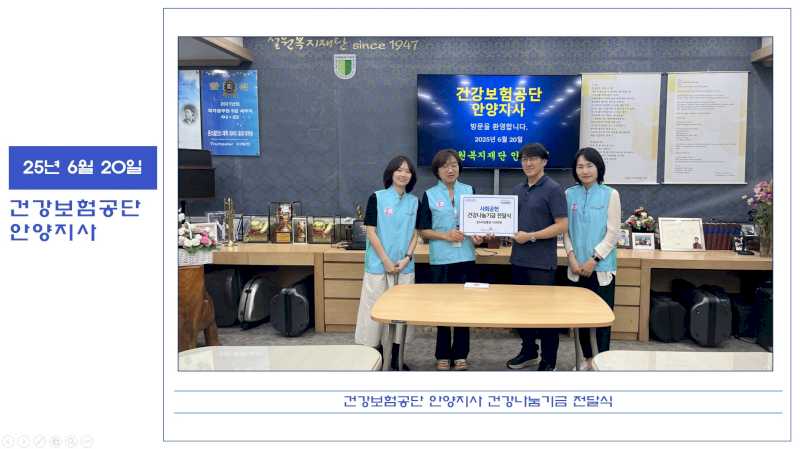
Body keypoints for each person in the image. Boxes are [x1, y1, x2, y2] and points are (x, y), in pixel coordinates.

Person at [416, 149, 484, 371]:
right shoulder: (429, 195)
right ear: (437, 170)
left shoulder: (469, 191)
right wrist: (446, 235)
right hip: (441, 259)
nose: (450, 169)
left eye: (454, 165)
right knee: (442, 307)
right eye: (445, 166)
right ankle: (443, 354)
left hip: (466, 257)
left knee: (464, 307)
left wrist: (478, 235)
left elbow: (476, 224)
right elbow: (423, 230)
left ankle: (461, 354)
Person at [354, 155, 419, 370]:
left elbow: (415, 233)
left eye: (407, 171)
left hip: (404, 266)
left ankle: (397, 359)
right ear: (391, 173)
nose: (403, 174)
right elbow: (371, 232)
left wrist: (407, 257)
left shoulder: (414, 202)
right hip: (378, 266)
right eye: (399, 170)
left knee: (401, 313)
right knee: (374, 313)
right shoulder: (377, 198)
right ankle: (377, 356)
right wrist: (385, 260)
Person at [507, 143, 568, 371]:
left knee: (545, 315)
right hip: (518, 260)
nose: (528, 163)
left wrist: (531, 236)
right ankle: (529, 351)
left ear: (544, 161)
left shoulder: (554, 189)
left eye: (533, 158)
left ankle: (549, 360)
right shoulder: (517, 190)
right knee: (522, 312)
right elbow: (509, 223)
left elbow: (562, 225)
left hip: (542, 264)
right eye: (524, 159)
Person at [563, 147, 621, 371]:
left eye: (589, 165)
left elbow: (613, 232)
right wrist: (571, 257)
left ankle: (602, 361)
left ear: (598, 168)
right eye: (580, 166)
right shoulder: (569, 194)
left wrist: (594, 259)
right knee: (580, 318)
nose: (585, 171)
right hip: (576, 267)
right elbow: (566, 231)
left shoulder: (610, 194)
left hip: (601, 267)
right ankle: (586, 358)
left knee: (602, 319)